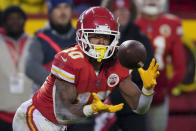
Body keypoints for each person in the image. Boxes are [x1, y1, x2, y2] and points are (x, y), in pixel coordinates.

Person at [12, 6, 159, 131]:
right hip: (36, 117)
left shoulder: (118, 61)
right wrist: (92, 109)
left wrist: (147, 90)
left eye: (106, 37)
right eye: (96, 36)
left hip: (60, 125)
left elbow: (139, 108)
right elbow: (62, 113)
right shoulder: (69, 60)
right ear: (82, 36)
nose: (101, 42)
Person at [94, 0, 154, 131]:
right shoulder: (101, 38)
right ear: (111, 13)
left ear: (131, 12)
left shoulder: (141, 38)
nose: (123, 13)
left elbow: (147, 68)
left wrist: (118, 73)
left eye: (126, 10)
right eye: (118, 10)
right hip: (104, 108)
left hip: (132, 107)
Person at [135, 0, 186, 130]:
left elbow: (180, 67)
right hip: (141, 90)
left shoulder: (172, 23)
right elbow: (180, 68)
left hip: (146, 91)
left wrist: (166, 88)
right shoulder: (132, 22)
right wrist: (166, 88)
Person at [25, 0, 76, 94]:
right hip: (47, 100)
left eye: (66, 7)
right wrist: (59, 85)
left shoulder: (80, 36)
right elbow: (31, 68)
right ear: (50, 12)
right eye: (58, 7)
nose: (63, 12)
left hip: (76, 101)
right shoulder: (40, 37)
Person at [0, 6, 32, 131]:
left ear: (24, 21)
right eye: (10, 19)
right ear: (4, 22)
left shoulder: (34, 42)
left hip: (28, 115)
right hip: (2, 114)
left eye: (18, 18)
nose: (15, 22)